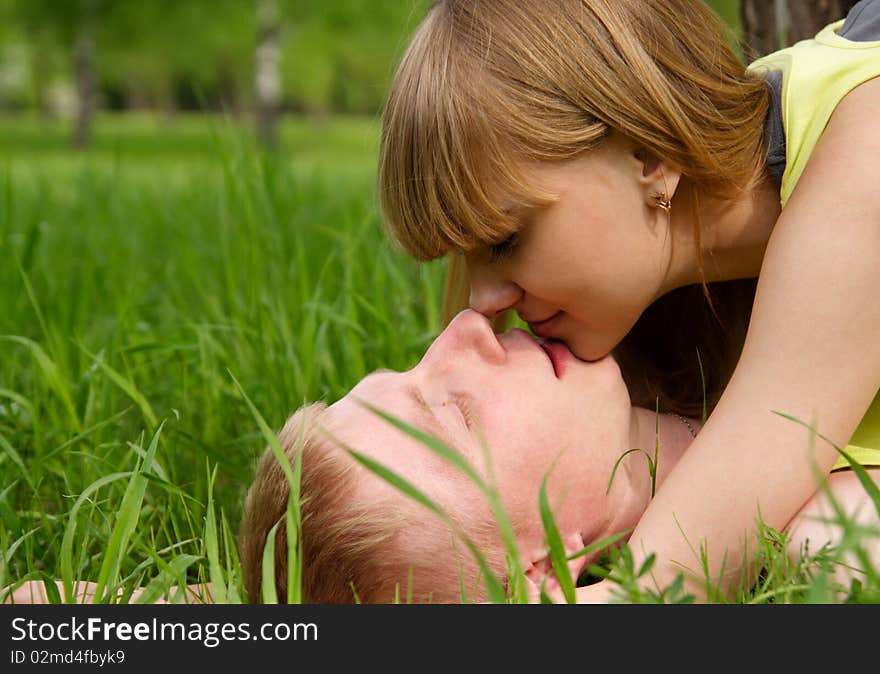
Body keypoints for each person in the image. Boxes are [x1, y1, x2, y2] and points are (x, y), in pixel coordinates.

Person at [375, 0, 880, 600]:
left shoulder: (862, 140)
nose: (482, 304)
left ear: (649, 155)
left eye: (506, 239)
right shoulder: (657, 302)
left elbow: (775, 434)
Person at [239, 310, 880, 603]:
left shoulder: (693, 307)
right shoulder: (830, 534)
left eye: (414, 365)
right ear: (544, 574)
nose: (463, 329)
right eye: (456, 412)